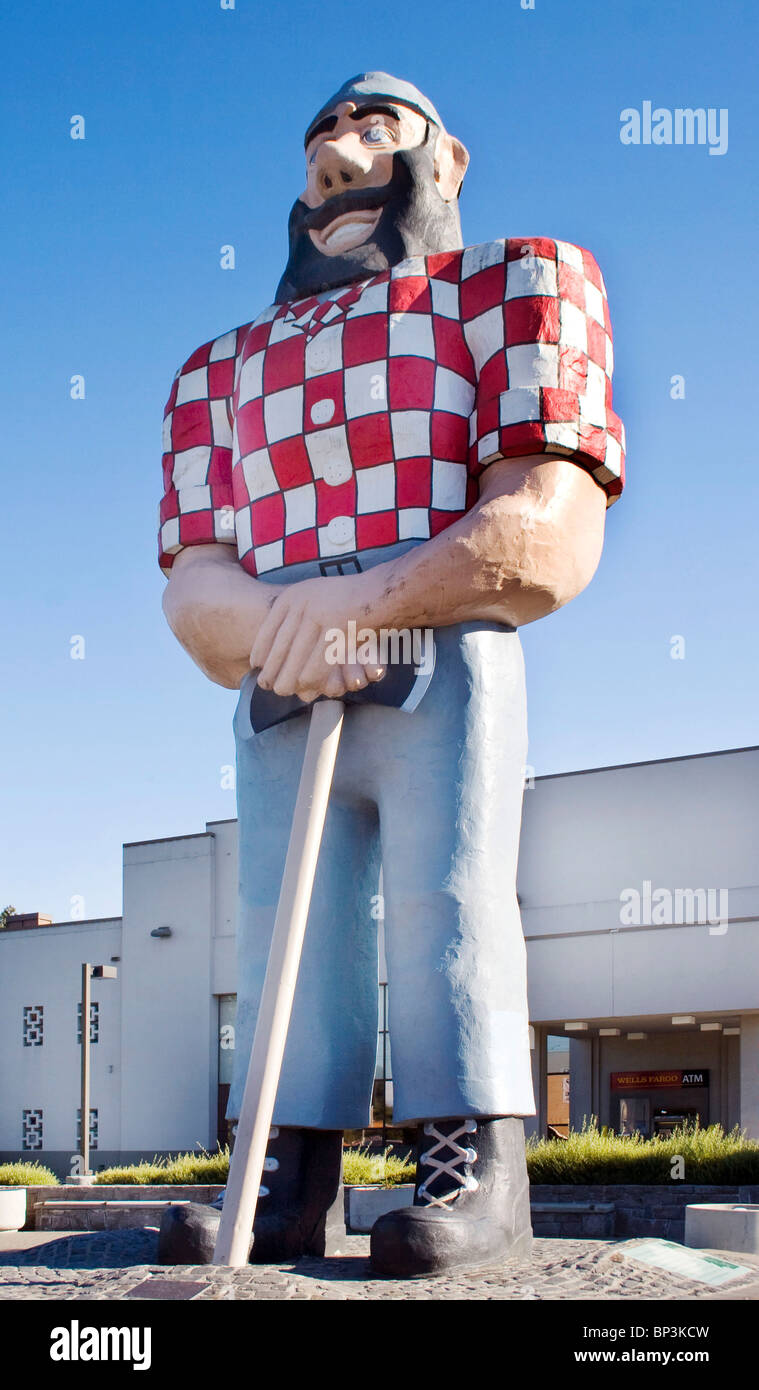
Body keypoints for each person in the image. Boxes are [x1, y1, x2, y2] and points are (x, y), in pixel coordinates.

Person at [158, 73, 625, 1277]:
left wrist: (366, 603)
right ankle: (286, 1164)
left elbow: (546, 520)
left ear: (449, 158)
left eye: (375, 129)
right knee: (282, 928)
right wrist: (287, 623)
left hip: (442, 651)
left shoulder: (518, 284)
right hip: (277, 676)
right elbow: (195, 585)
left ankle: (470, 1158)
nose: (337, 158)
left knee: (451, 899)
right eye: (319, 138)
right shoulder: (218, 369)